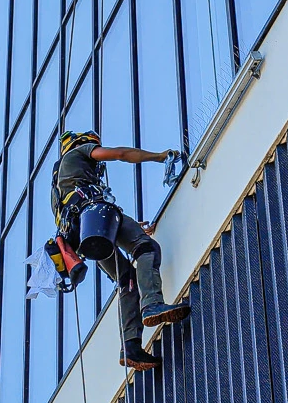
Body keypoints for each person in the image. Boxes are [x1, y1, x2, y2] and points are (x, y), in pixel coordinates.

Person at [52, 126, 191, 371]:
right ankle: (152, 304)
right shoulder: (79, 152)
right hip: (95, 215)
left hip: (85, 234)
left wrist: (131, 226)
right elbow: (121, 154)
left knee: (126, 279)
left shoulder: (60, 181)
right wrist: (159, 156)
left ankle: (130, 347)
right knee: (146, 248)